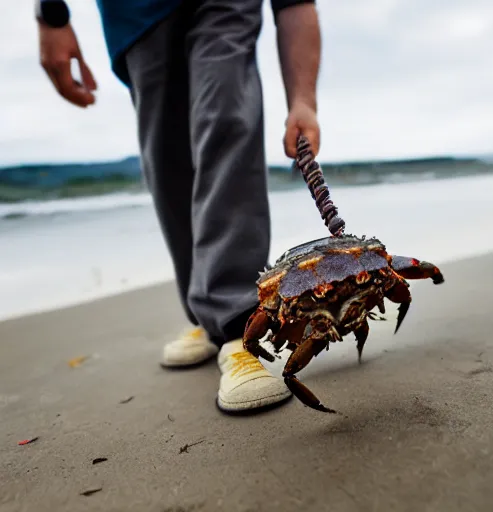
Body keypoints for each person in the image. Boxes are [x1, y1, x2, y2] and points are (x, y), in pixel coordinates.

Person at [36, 0, 321, 414]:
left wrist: (303, 101)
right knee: (166, 158)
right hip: (135, 15)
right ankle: (204, 316)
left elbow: (296, 3)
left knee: (225, 117)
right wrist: (51, 16)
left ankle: (237, 326)